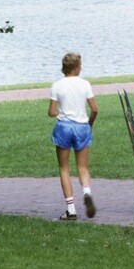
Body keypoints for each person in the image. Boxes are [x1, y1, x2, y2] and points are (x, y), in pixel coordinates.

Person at [48, 52, 98, 220]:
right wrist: (89, 124)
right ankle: (87, 192)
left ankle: (71, 209)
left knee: (64, 168)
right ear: (76, 67)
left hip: (63, 127)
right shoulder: (85, 84)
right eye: (80, 65)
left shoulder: (57, 85)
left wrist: (58, 113)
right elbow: (95, 109)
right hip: (82, 127)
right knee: (82, 167)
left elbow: (51, 112)